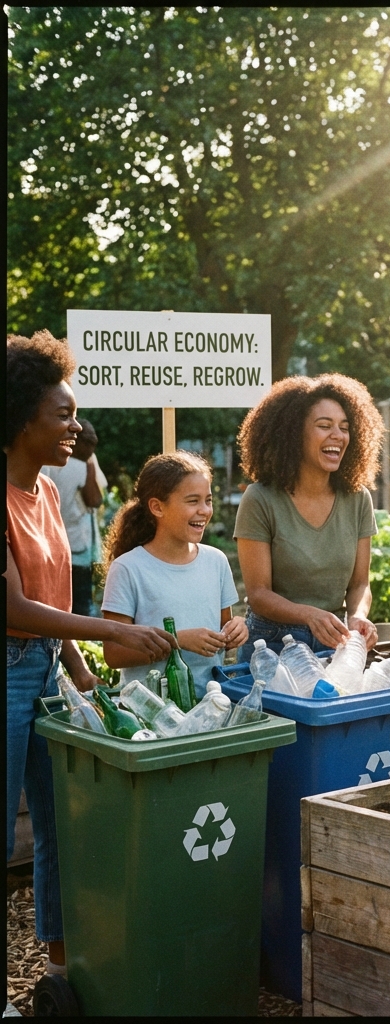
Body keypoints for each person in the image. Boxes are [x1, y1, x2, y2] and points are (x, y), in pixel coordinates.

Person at [6, 331, 173, 980]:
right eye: (63, 414)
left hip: (47, 668)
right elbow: (13, 608)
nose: (77, 426)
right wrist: (111, 635)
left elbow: (51, 596)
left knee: (60, 828)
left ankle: (58, 970)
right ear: (22, 419)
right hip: (9, 670)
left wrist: (80, 669)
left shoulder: (48, 492)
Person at [233, 374, 385, 661]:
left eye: (344, 427)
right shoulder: (260, 498)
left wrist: (357, 616)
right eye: (324, 426)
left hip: (333, 640)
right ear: (293, 434)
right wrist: (309, 615)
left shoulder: (357, 498)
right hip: (271, 645)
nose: (338, 436)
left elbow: (359, 584)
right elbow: (259, 593)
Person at [100, 452, 248, 690]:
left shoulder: (216, 561)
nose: (204, 511)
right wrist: (178, 641)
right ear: (157, 507)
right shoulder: (128, 568)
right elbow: (115, 654)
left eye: (208, 500)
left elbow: (223, 630)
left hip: (212, 702)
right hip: (151, 709)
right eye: (192, 501)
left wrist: (236, 630)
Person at [41, 419, 107, 616]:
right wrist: (90, 467)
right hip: (77, 547)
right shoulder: (80, 466)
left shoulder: (50, 463)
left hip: (54, 545)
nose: (92, 448)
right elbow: (94, 499)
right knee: (81, 605)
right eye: (89, 443)